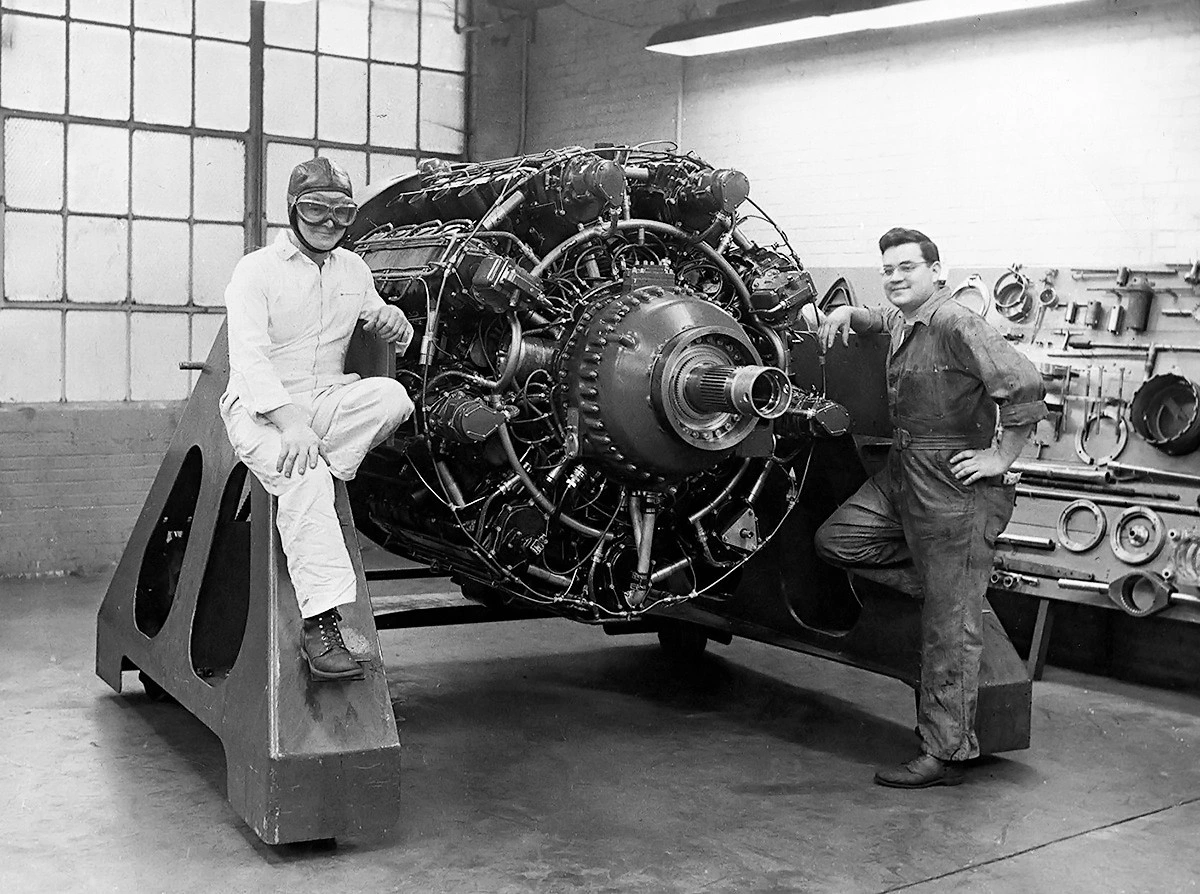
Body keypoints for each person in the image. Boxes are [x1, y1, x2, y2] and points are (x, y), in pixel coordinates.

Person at [815, 227, 1046, 788]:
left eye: (907, 268)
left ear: (937, 272)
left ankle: (944, 752)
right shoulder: (905, 319)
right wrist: (850, 314)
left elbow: (1023, 385)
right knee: (837, 539)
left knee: (947, 631)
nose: (895, 278)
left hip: (950, 485)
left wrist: (999, 457)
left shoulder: (956, 324)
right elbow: (881, 318)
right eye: (888, 269)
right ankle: (951, 588)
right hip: (903, 472)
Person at [220, 157, 414, 682]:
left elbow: (379, 317)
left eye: (341, 212)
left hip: (325, 400)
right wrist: (290, 424)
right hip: (262, 412)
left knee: (393, 398)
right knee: (305, 479)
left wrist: (395, 320)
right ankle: (321, 627)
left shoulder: (353, 269)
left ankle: (324, 466)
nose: (329, 222)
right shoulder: (256, 271)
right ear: (292, 210)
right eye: (315, 209)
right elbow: (250, 362)